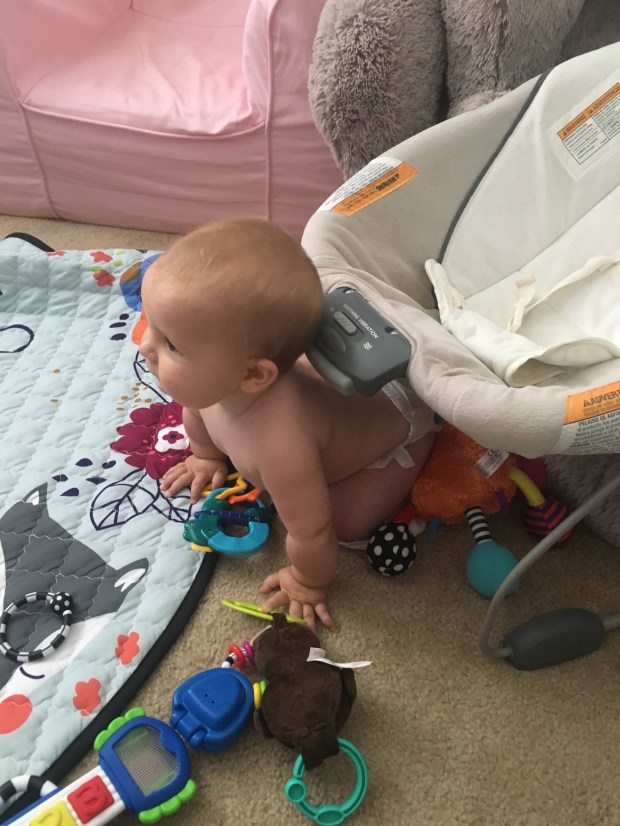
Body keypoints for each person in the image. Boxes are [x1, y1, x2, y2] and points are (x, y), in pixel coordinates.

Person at [139, 219, 436, 629]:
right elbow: (196, 412)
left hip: (400, 422)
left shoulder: (282, 447)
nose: (146, 346)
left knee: (343, 521)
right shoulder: (212, 387)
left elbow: (311, 533)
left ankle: (427, 445)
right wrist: (206, 456)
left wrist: (308, 581)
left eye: (171, 344)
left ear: (254, 375)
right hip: (333, 401)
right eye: (152, 325)